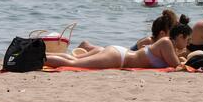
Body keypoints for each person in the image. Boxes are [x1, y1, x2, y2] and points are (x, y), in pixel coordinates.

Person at [44, 22, 192, 69]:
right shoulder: (166, 42)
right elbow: (176, 66)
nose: (188, 43)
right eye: (187, 40)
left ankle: (42, 55)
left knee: (71, 58)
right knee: (74, 63)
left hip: (118, 53)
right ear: (180, 36)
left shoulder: (167, 45)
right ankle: (37, 58)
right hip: (118, 57)